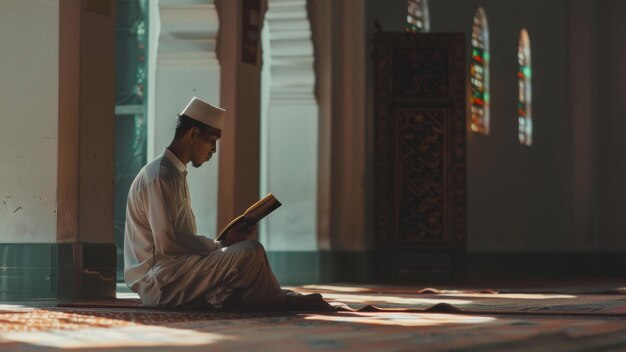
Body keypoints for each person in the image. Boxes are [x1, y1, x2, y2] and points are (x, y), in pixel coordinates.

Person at [124, 97, 330, 310]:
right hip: (160, 281)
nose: (213, 149)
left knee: (245, 262)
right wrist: (220, 245)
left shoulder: (174, 174)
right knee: (250, 252)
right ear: (193, 134)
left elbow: (178, 243)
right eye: (212, 140)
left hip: (177, 271)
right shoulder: (159, 176)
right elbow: (168, 244)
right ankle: (279, 302)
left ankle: (269, 298)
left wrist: (223, 244)